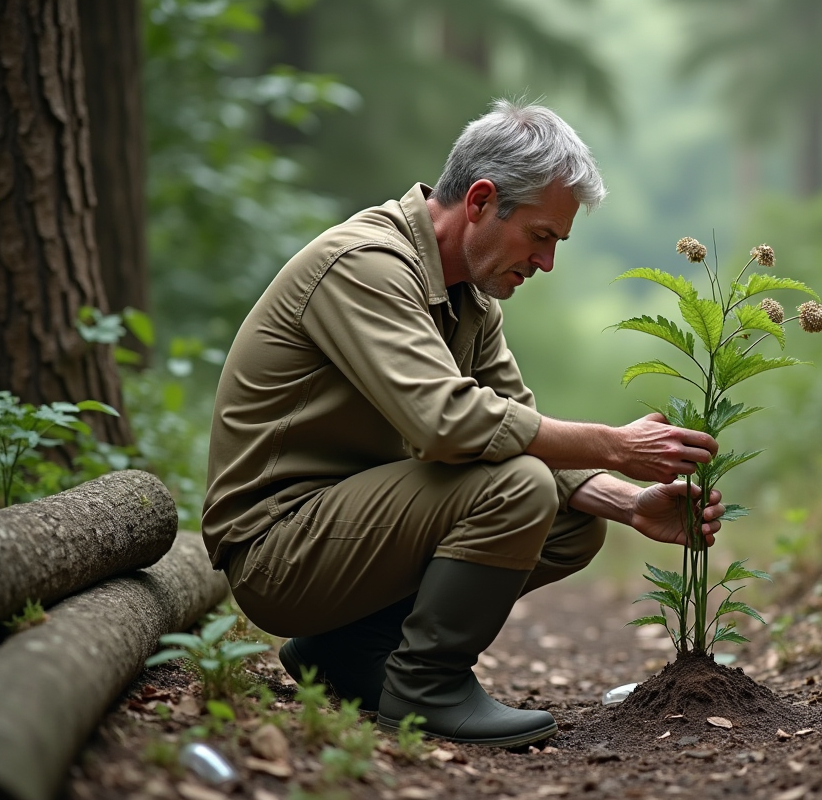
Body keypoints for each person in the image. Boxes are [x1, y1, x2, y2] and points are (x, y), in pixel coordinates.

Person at [202, 99, 725, 748]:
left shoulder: (468, 299)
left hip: (343, 528)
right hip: (275, 549)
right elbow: (447, 425)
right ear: (479, 201)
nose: (546, 263)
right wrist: (617, 446)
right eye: (540, 236)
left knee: (570, 522)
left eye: (556, 244)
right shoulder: (366, 265)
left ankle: (349, 653)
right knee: (521, 486)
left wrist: (630, 503)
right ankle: (427, 686)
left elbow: (517, 421)